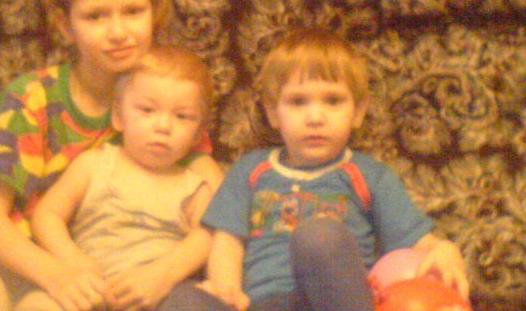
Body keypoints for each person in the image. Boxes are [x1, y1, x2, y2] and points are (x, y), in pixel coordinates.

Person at [0, 0, 223, 311]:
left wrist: (164, 273)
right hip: (4, 254)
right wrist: (57, 274)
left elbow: (221, 211)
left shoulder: (169, 102)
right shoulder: (31, 98)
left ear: (156, 14)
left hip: (95, 272)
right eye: (95, 16)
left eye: (133, 11)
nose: (118, 32)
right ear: (65, 26)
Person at [164, 27, 469, 311]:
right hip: (258, 304)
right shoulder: (250, 170)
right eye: (298, 102)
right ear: (273, 112)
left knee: (317, 236)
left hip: (333, 301)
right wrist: (226, 288)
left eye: (333, 101)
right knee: (181, 299)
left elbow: (417, 241)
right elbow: (228, 240)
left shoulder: (371, 175)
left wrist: (444, 249)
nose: (315, 117)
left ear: (358, 112)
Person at [24, 45, 215, 311]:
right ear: (118, 115)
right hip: (89, 291)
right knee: (35, 304)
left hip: (161, 296)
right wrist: (73, 260)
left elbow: (209, 235)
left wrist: (163, 274)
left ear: (197, 134)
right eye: (147, 110)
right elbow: (47, 215)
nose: (163, 126)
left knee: (193, 303)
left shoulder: (194, 187)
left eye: (182, 116)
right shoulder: (94, 165)